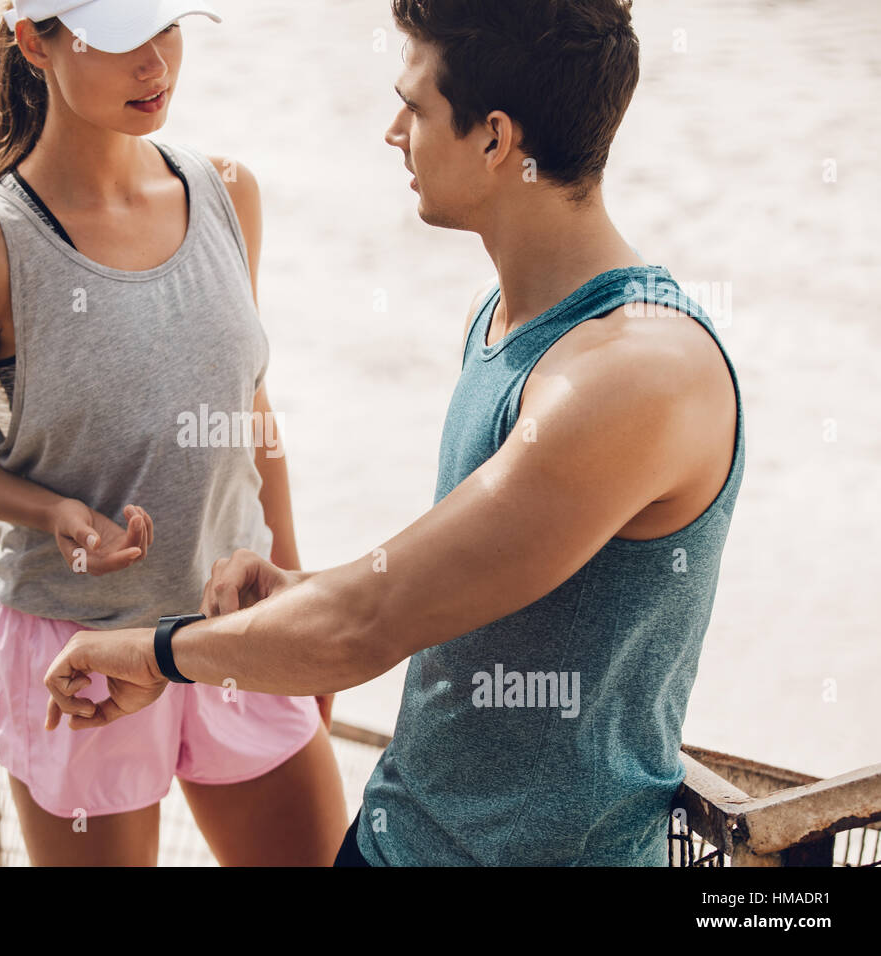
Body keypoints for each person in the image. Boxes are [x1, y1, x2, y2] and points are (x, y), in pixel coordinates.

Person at [43, 0, 746, 867]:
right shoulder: (503, 321)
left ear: (494, 140)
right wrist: (299, 587)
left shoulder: (634, 376)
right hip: (396, 840)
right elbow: (452, 586)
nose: (391, 132)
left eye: (413, 108)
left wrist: (154, 655)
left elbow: (366, 626)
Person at [0, 0, 347, 866]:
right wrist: (51, 512)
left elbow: (252, 411)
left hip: (239, 628)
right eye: (121, 36)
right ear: (35, 41)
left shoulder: (228, 192)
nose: (155, 62)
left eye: (166, 26)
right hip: (79, 655)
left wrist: (298, 604)